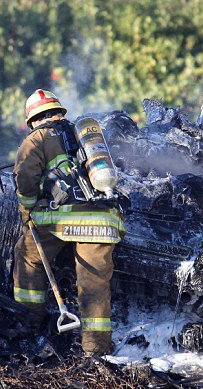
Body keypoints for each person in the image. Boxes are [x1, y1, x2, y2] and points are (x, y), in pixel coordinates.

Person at [12, 89, 123, 357]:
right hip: (102, 219)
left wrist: (26, 210)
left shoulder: (37, 137)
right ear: (59, 111)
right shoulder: (84, 133)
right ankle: (95, 352)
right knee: (94, 283)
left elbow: (25, 176)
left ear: (33, 119)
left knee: (27, 257)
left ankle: (27, 323)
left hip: (60, 217)